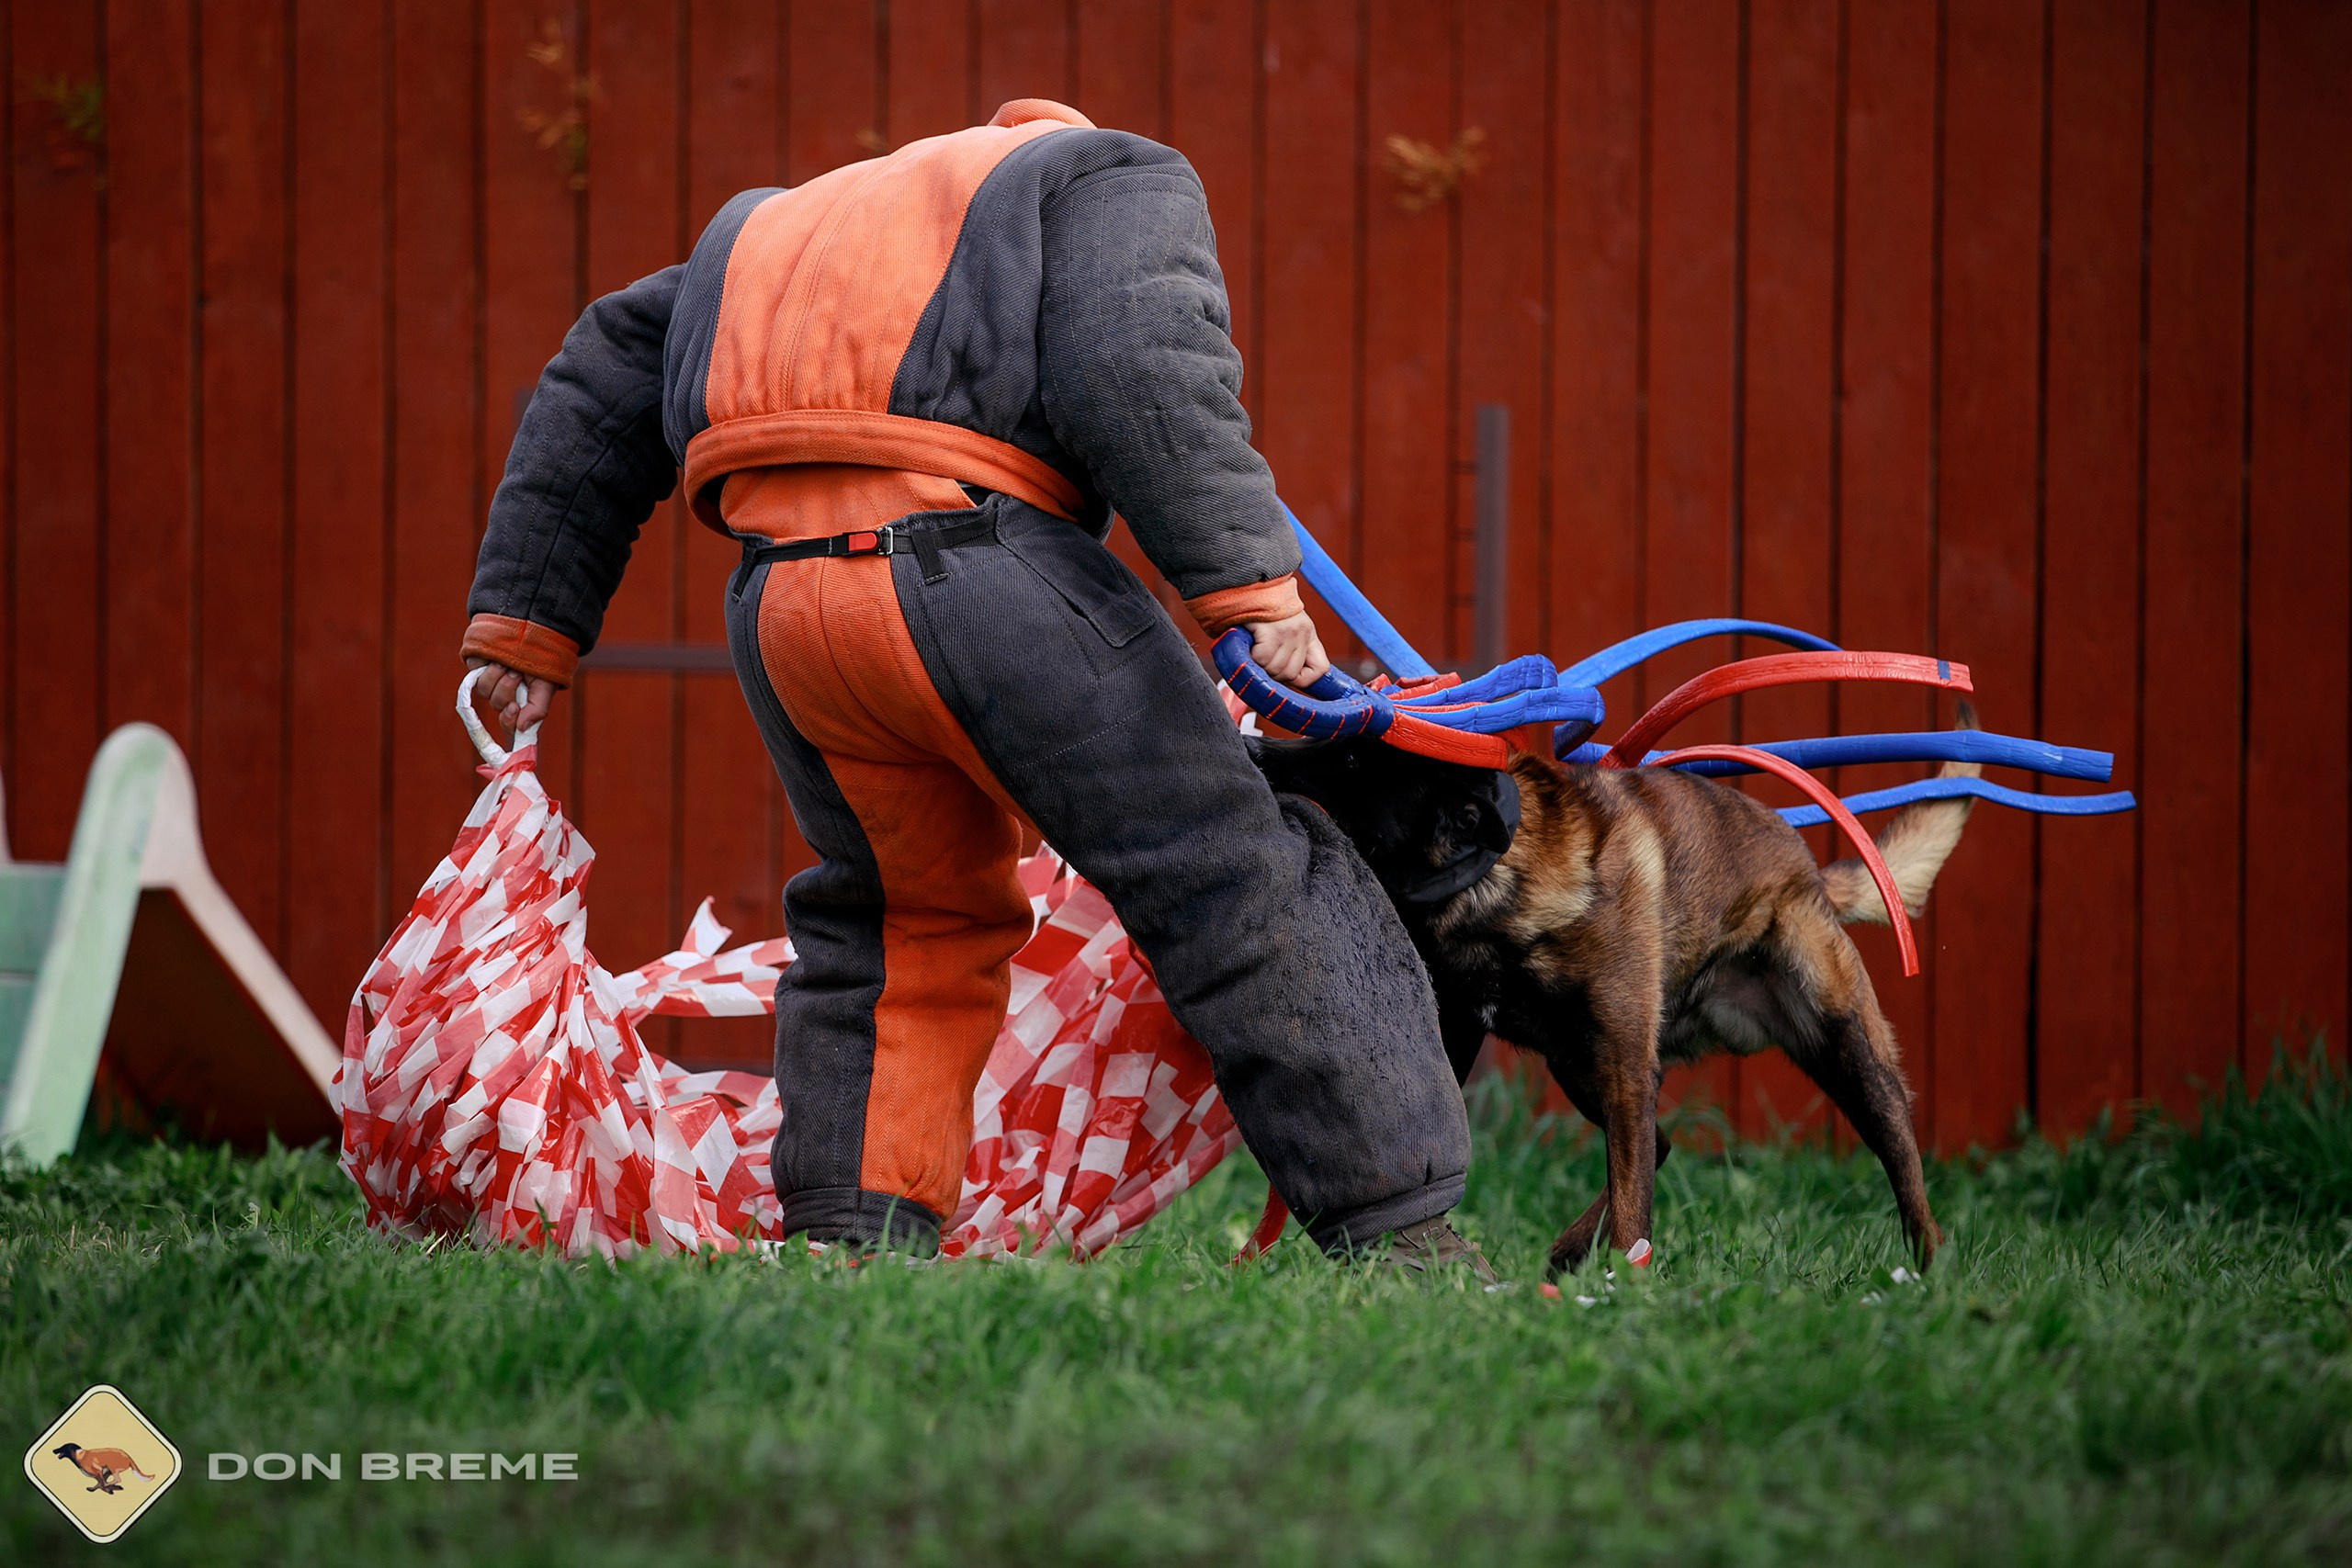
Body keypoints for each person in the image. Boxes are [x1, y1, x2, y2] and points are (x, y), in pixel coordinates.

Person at [461, 98, 1487, 1278]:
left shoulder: (768, 229)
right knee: (1233, 873)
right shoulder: (1101, 171)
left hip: (785, 608)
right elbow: (1139, 362)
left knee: (894, 925)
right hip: (983, 571)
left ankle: (857, 1244)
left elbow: (595, 384)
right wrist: (1248, 590)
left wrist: (522, 632)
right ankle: (1400, 1230)